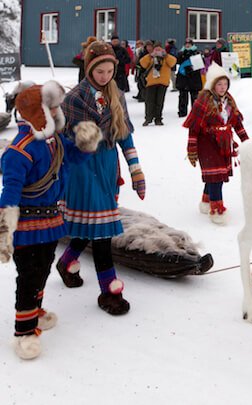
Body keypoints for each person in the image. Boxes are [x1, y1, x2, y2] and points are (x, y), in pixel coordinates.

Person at [0, 81, 101, 359]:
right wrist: (4, 232)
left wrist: (86, 142)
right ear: (38, 111)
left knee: (42, 271)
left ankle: (36, 313)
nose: (58, 111)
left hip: (51, 222)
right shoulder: (18, 151)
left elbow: (73, 159)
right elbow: (9, 194)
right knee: (29, 277)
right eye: (52, 107)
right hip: (26, 227)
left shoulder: (53, 140)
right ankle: (24, 333)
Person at [56, 41, 146, 316]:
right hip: (83, 169)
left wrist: (135, 168)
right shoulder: (74, 99)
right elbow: (62, 139)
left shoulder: (115, 94)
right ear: (89, 69)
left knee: (91, 224)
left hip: (106, 168)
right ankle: (110, 290)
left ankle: (67, 261)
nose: (105, 76)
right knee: (103, 229)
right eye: (100, 71)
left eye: (110, 71)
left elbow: (124, 134)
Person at [184, 63, 249, 224]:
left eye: (225, 84)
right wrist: (191, 148)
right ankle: (217, 209)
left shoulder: (229, 100)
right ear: (212, 85)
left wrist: (246, 141)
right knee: (216, 176)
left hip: (224, 143)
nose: (222, 87)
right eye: (219, 84)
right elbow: (194, 128)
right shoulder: (203, 101)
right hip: (207, 144)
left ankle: (206, 201)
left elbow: (237, 123)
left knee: (216, 175)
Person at [139, 42, 177, 126]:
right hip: (151, 82)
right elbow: (142, 63)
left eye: (159, 49)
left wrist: (166, 55)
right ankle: (148, 118)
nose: (158, 51)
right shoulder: (151, 57)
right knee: (149, 101)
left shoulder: (166, 57)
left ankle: (158, 118)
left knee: (159, 101)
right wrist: (150, 55)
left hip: (163, 82)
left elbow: (173, 63)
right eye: (156, 49)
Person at [176, 38, 203, 117]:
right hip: (183, 77)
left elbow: (200, 65)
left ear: (192, 45)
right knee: (182, 96)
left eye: (189, 44)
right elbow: (177, 62)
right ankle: (182, 112)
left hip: (194, 78)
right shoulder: (181, 53)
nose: (187, 45)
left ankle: (195, 112)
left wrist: (191, 69)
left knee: (195, 97)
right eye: (186, 44)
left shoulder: (197, 53)